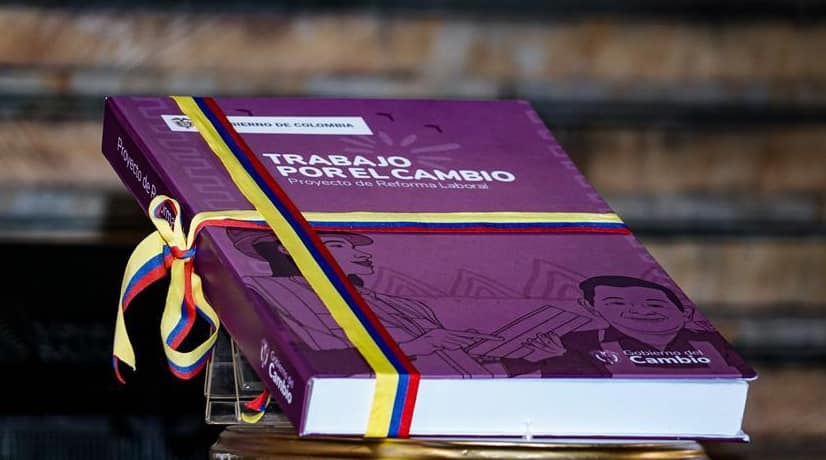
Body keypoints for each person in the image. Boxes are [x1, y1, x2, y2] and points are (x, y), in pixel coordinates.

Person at [227, 227, 499, 376]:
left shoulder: (407, 305)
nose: (361, 254)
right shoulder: (264, 289)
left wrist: (499, 354)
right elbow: (300, 361)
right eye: (338, 245)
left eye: (355, 247)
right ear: (287, 248)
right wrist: (414, 346)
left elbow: (458, 367)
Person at [499, 275, 754, 377]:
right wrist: (556, 361)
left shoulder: (711, 342)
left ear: (685, 310)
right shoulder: (568, 342)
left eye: (654, 304)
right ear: (593, 309)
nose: (639, 311)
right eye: (616, 303)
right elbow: (505, 375)